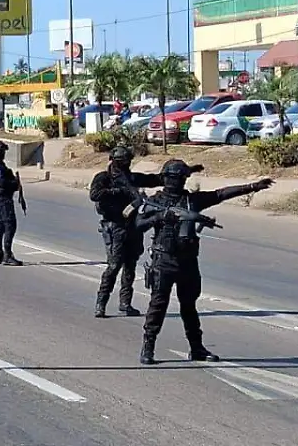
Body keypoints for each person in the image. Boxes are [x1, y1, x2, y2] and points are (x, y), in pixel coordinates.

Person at [134, 159, 273, 365]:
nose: (176, 182)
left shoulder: (192, 201)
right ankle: (148, 347)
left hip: (187, 261)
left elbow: (220, 194)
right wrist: (160, 218)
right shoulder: (156, 201)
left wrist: (252, 187)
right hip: (164, 260)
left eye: (180, 178)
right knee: (158, 305)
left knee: (189, 307)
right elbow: (139, 224)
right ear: (165, 179)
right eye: (173, 178)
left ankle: (196, 347)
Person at [88, 146, 164, 318]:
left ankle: (125, 303)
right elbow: (95, 194)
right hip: (115, 226)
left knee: (130, 266)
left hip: (132, 226)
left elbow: (152, 179)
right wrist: (118, 191)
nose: (128, 163)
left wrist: (173, 175)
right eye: (125, 160)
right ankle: (101, 303)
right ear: (115, 161)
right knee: (114, 266)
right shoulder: (104, 178)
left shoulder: (131, 178)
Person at [0, 141, 27, 265]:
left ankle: (1, 254)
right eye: (2, 151)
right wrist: (14, 184)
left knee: (1, 226)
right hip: (2, 198)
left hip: (2, 198)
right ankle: (6, 255)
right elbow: (2, 183)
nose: (4, 154)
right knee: (9, 225)